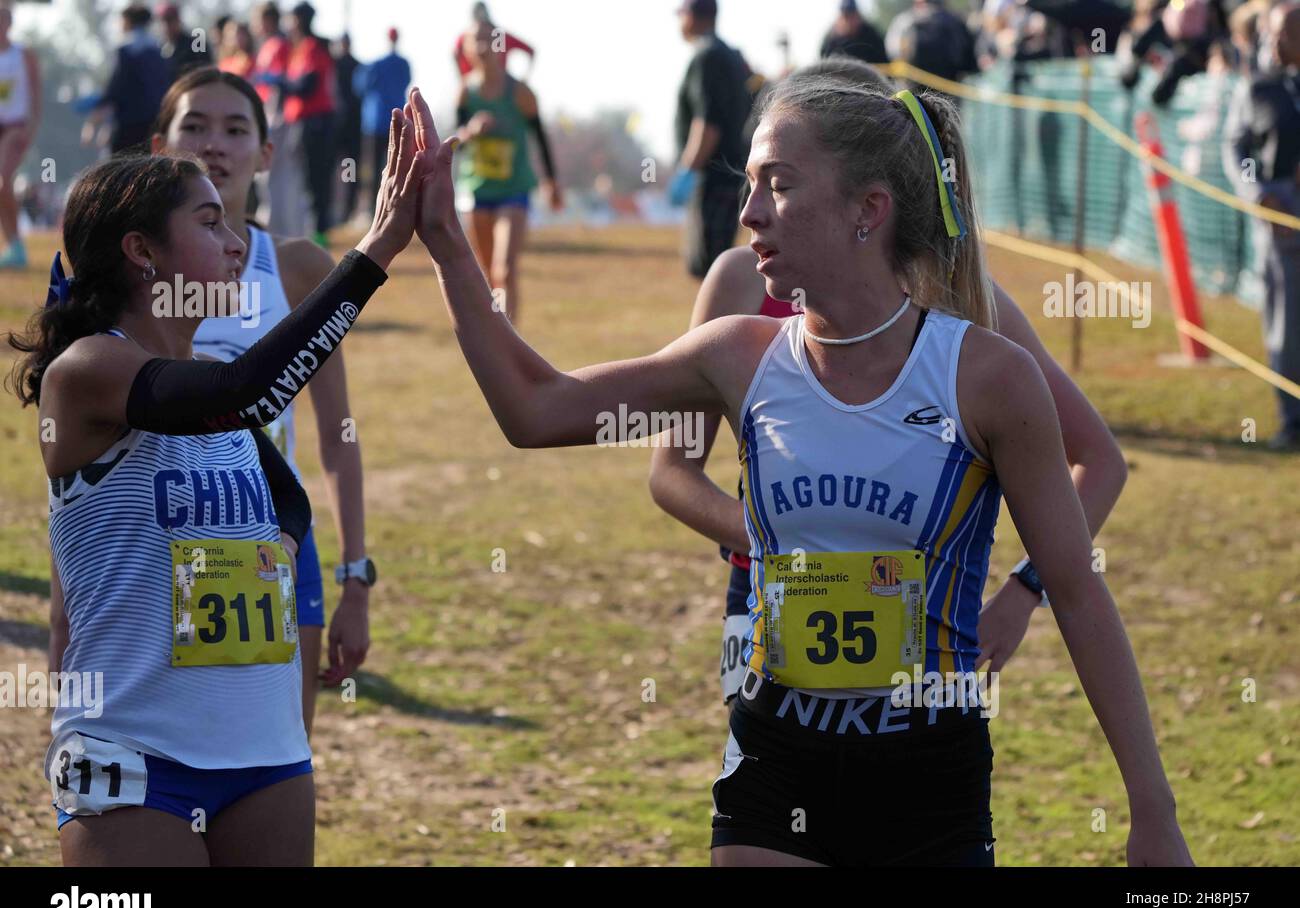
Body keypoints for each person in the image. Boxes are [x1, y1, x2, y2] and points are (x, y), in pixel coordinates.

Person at [404, 75, 1192, 866]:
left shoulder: (987, 373)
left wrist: (1152, 810)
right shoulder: (734, 355)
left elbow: (1082, 592)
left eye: (777, 186)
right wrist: (444, 242)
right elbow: (535, 409)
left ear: (867, 210)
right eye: (748, 186)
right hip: (776, 756)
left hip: (930, 770)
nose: (748, 213)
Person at [9, 102, 421, 865]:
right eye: (210, 224)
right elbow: (247, 394)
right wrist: (377, 248)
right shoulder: (88, 372)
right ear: (142, 252)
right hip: (132, 761)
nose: (238, 245)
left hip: (265, 755)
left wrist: (264, 555)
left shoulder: (205, 384)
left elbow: (286, 491)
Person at [649, 57, 1128, 706]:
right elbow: (672, 470)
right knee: (771, 785)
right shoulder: (738, 282)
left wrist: (1020, 594)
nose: (755, 207)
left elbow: (1098, 459)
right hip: (770, 597)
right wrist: (774, 539)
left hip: (927, 624)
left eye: (784, 180)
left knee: (907, 797)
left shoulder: (964, 303)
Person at [153, 67, 375, 733]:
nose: (213, 145)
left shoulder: (299, 267)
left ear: (266, 155)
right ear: (160, 148)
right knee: (176, 758)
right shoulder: (126, 268)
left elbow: (338, 433)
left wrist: (355, 577)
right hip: (156, 547)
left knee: (278, 763)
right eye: (193, 127)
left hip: (276, 545)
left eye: (234, 129)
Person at [1223, 1, 1300, 451]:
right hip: (1281, 220)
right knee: (1287, 325)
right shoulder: (1257, 88)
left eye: (1285, 34)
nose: (1274, 42)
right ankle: (1293, 421)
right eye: (1270, 33)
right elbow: (1237, 150)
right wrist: (1261, 194)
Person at [454, 18, 561, 326]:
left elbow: (540, 138)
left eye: (491, 39)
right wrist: (471, 131)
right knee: (487, 275)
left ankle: (512, 341)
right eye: (478, 40)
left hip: (514, 190)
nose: (485, 46)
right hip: (475, 189)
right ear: (467, 49)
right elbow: (454, 142)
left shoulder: (520, 92)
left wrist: (552, 181)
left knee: (506, 269)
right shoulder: (464, 92)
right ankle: (496, 340)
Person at [671, 0, 755, 279]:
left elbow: (708, 124)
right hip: (734, 172)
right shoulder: (732, 55)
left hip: (713, 178)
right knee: (718, 263)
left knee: (708, 268)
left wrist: (688, 169)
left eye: (681, 14)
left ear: (694, 16)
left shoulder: (706, 56)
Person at [277, 2, 336, 247]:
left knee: (315, 180)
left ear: (300, 20)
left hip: (315, 124)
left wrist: (281, 83)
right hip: (303, 123)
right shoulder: (299, 49)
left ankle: (318, 234)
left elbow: (307, 87)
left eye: (292, 18)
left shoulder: (313, 48)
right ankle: (307, 232)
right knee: (303, 181)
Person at [82, 5, 169, 156]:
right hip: (155, 123)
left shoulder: (126, 49)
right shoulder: (159, 50)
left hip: (128, 124)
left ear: (128, 21)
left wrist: (93, 122)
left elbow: (115, 89)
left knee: (121, 168)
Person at [252, 1, 307, 237]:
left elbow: (284, 82)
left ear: (268, 20)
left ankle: (279, 229)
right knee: (266, 178)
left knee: (276, 177)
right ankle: (275, 226)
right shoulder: (268, 45)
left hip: (278, 119)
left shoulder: (281, 44)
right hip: (267, 116)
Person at [0, 2, 40, 270]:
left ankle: (17, 247)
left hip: (15, 127)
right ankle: (12, 244)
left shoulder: (22, 55)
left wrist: (30, 128)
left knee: (4, 179)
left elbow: (36, 93)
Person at [356, 27, 411, 219]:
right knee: (393, 166)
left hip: (376, 122)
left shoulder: (376, 64)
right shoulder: (403, 63)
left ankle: (374, 209)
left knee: (372, 167)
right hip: (395, 122)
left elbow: (360, 87)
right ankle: (391, 208)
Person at [886, 0, 980, 90]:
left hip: (913, 90)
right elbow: (969, 60)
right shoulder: (955, 20)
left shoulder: (904, 22)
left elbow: (894, 54)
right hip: (950, 88)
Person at [453, 2, 534, 78]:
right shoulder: (466, 37)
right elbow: (455, 53)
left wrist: (525, 78)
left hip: (501, 86)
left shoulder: (500, 35)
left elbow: (530, 50)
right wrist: (463, 78)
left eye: (487, 38)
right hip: (475, 85)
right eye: (478, 39)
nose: (483, 48)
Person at [332, 34, 363, 226]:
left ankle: (347, 207)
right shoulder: (334, 65)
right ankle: (340, 206)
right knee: (339, 166)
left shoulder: (356, 66)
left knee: (349, 165)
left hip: (351, 125)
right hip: (336, 125)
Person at [157, 2, 212, 83]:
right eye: (162, 21)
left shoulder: (196, 42)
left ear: (178, 20)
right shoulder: (160, 47)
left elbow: (206, 72)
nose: (166, 25)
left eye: (170, 20)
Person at [820, 1, 887, 64]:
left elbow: (884, 61)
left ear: (858, 15)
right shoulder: (830, 41)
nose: (849, 22)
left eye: (852, 15)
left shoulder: (872, 36)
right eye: (846, 16)